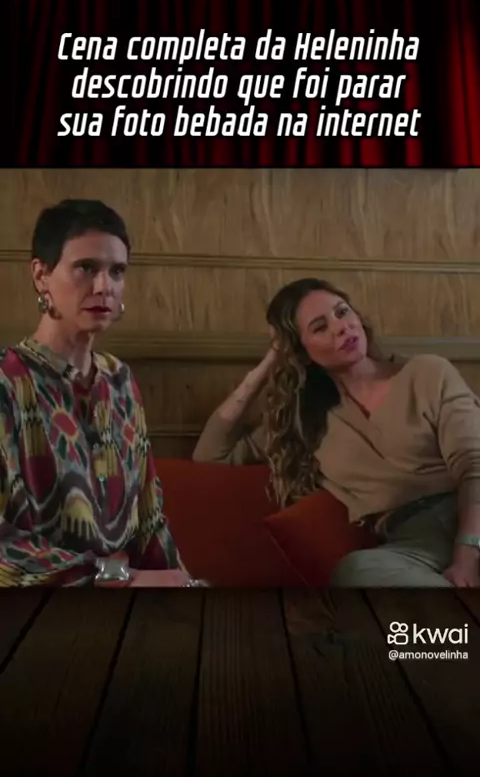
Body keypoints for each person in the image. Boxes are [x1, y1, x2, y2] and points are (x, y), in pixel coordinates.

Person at [193, 277, 480, 588]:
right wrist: (262, 371)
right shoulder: (306, 421)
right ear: (301, 352)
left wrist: (466, 557)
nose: (341, 327)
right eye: (320, 327)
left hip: (468, 516)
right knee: (355, 570)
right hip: (413, 545)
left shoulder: (427, 373)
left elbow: (474, 465)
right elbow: (210, 455)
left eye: (342, 312)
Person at [0, 199, 202, 588]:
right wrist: (119, 579)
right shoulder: (7, 381)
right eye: (86, 268)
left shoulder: (119, 381)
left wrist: (184, 588)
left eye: (117, 271)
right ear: (41, 275)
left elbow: (149, 517)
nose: (104, 287)